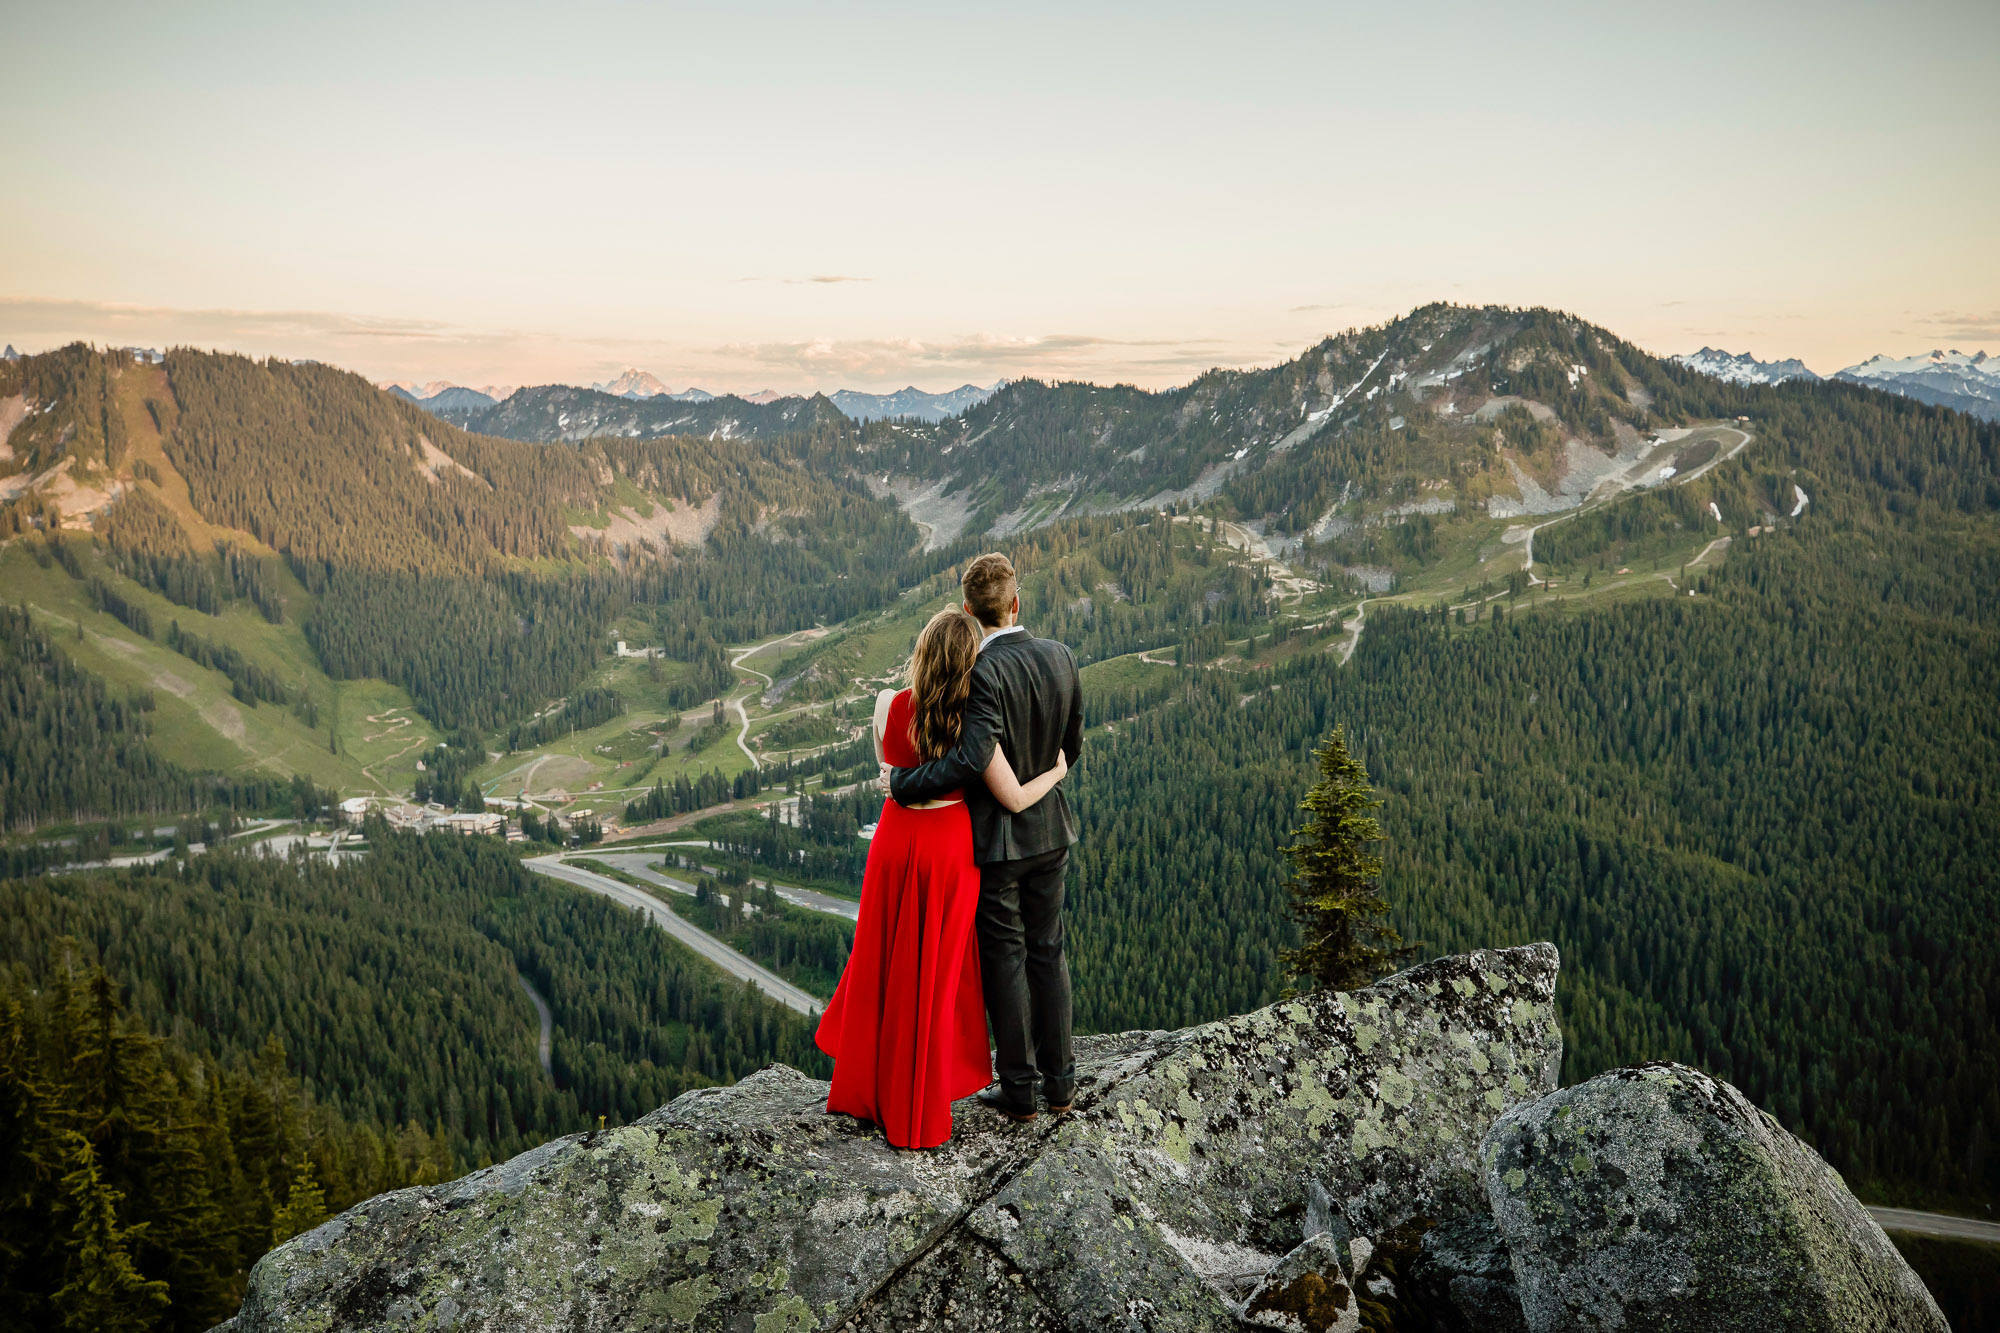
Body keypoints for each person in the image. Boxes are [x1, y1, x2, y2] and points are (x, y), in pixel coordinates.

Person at [815, 608, 1070, 1149]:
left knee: (883, 961)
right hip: (952, 848)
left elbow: (888, 767)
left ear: (921, 651)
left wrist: (905, 779)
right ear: (970, 663)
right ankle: (922, 1100)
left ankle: (868, 1088)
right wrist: (1056, 771)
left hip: (895, 842)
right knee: (935, 974)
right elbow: (1014, 795)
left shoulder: (888, 705)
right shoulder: (974, 722)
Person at [889, 553, 1084, 1122]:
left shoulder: (981, 672)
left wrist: (903, 784)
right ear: (1017, 602)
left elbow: (971, 759)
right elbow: (1071, 747)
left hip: (997, 844)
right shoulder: (1062, 657)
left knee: (1005, 957)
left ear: (972, 613)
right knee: (1049, 952)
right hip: (1051, 833)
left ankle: (1020, 1091)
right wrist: (1048, 779)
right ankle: (1063, 1083)